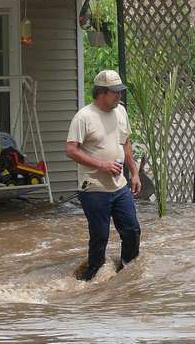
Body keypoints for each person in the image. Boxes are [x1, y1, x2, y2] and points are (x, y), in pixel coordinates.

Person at [66, 69, 141, 281]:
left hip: (120, 186)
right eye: (115, 92)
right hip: (94, 188)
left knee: (132, 230)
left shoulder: (121, 112)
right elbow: (71, 150)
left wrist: (134, 172)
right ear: (101, 92)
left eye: (120, 91)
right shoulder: (84, 117)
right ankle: (92, 280)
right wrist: (102, 165)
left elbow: (125, 142)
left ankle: (128, 275)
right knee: (100, 237)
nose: (119, 95)